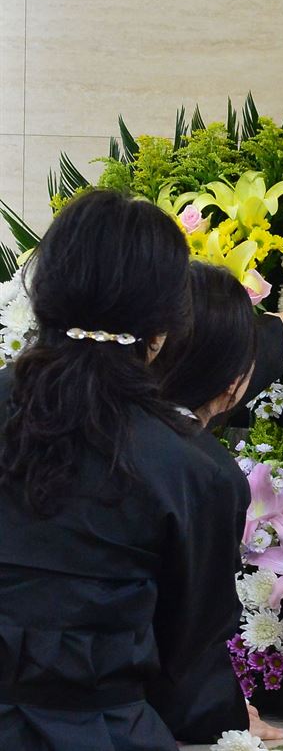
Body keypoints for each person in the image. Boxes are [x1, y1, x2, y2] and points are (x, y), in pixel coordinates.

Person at [0, 191, 247, 751]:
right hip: (102, 733)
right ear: (166, 327)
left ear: (41, 295)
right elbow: (188, 658)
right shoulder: (191, 468)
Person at [149, 263, 283, 744]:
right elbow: (187, 625)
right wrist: (221, 713)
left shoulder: (48, 405)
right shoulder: (201, 472)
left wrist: (278, 330)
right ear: (232, 385)